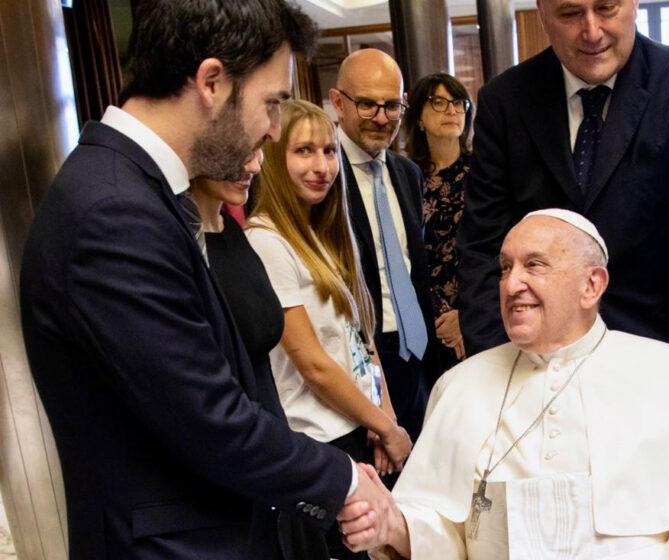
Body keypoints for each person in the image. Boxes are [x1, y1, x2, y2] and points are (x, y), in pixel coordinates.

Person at [18, 2, 392, 558]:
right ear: (212, 82)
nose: (270, 130)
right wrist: (342, 480)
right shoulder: (114, 211)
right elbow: (208, 417)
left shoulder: (135, 191)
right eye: (269, 105)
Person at [341, 210, 669, 560]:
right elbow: (445, 530)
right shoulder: (459, 387)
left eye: (535, 265)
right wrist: (394, 527)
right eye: (505, 267)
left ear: (592, 285)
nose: (512, 284)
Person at [457, 0, 669, 396]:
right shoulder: (507, 101)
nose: (592, 32)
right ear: (541, 12)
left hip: (657, 358)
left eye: (606, 8)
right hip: (537, 370)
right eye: (570, 14)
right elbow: (482, 249)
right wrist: (494, 377)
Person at [244, 100, 412, 559]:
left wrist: (384, 419)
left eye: (329, 151)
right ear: (275, 160)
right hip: (318, 439)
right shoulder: (266, 240)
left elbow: (361, 342)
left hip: (356, 427)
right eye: (304, 152)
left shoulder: (320, 233)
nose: (322, 166)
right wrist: (385, 427)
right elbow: (314, 364)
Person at [329, 48, 435, 443]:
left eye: (392, 105)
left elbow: (414, 268)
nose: (381, 118)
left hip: (416, 350)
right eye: (368, 104)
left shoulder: (407, 174)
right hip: (359, 357)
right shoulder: (320, 174)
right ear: (338, 102)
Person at [403, 73, 473, 373]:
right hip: (418, 321)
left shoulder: (483, 172)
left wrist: (466, 316)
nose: (452, 110)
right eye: (439, 102)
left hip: (474, 315)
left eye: (458, 103)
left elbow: (497, 249)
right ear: (418, 116)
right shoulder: (404, 176)